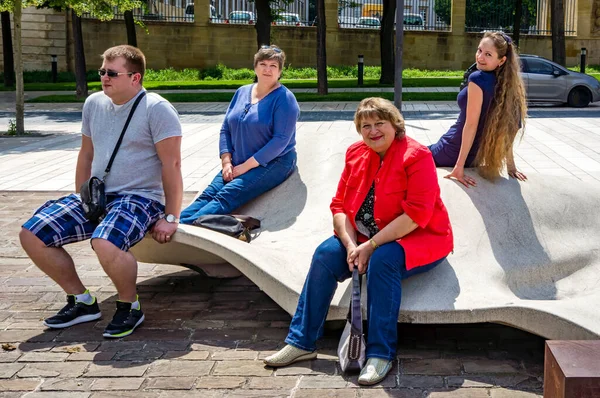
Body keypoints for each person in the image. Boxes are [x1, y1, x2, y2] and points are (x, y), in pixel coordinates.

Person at [264, 98, 454, 386]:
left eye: (380, 123)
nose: (373, 131)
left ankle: (380, 353)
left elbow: (415, 216)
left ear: (395, 125)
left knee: (382, 261)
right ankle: (302, 342)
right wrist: (352, 245)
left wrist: (371, 246)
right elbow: (339, 206)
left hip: (419, 236)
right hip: (364, 236)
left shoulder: (417, 156)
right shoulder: (355, 153)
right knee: (325, 254)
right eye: (366, 125)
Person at [19, 45, 183, 338]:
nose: (104, 78)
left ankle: (129, 305)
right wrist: (81, 198)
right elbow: (86, 154)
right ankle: (82, 301)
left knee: (105, 243)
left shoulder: (157, 109)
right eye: (102, 72)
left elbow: (172, 165)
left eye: (112, 73)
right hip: (99, 195)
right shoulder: (94, 104)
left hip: (141, 198)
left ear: (136, 78)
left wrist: (171, 216)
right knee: (32, 233)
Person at [180, 45, 298, 225]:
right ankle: (176, 223)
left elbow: (280, 142)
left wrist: (245, 167)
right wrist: (226, 161)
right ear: (255, 67)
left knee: (228, 194)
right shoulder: (241, 92)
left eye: (273, 66)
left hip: (274, 162)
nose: (267, 69)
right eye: (263, 64)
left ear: (280, 71)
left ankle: (186, 228)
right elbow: (225, 128)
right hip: (237, 161)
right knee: (210, 193)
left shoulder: (285, 99)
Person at [428, 31, 528, 187]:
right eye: (479, 50)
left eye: (488, 54)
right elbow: (513, 126)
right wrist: (510, 165)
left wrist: (459, 167)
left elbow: (471, 125)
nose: (480, 57)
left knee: (401, 153)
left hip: (450, 149)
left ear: (501, 60)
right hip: (475, 157)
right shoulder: (509, 86)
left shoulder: (477, 79)